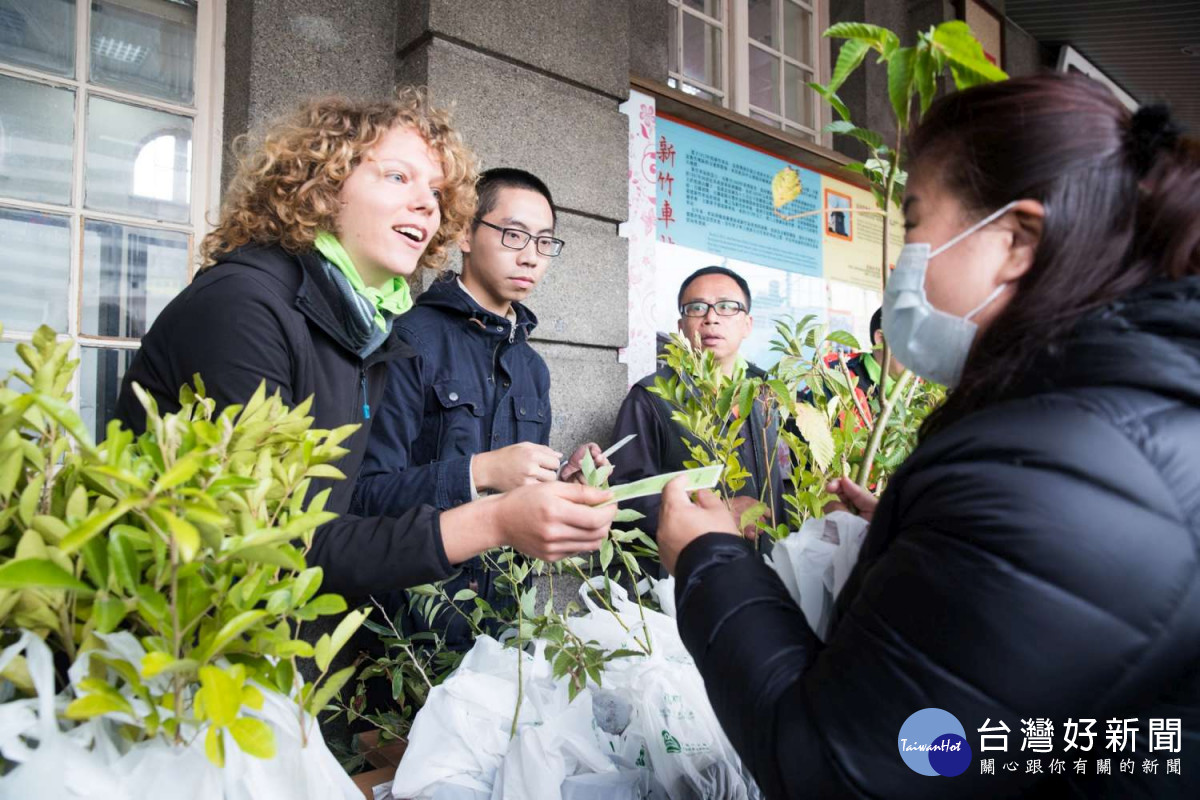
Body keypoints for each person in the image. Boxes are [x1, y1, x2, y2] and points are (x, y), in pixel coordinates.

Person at [655, 74, 1200, 798]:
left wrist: (706, 560)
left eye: (914, 224)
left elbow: (841, 770)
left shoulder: (1054, 475)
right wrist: (922, 538)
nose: (900, 266)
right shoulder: (1121, 420)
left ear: (1016, 238)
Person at [114, 91, 616, 603]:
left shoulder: (363, 330)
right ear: (323, 183)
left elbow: (337, 514)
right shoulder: (244, 307)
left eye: (438, 191)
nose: (426, 202)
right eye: (398, 176)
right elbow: (276, 550)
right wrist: (495, 517)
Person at [352, 167, 606, 645]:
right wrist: (479, 470)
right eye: (513, 235)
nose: (531, 256)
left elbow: (519, 493)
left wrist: (564, 483)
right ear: (466, 233)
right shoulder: (408, 339)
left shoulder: (531, 366)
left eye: (544, 242)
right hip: (414, 630)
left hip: (509, 622)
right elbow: (363, 497)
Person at [609, 266, 788, 543]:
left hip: (771, 563)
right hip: (693, 566)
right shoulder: (652, 396)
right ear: (681, 326)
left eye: (727, 307)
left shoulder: (768, 391)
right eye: (697, 308)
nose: (711, 318)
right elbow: (625, 496)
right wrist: (711, 515)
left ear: (747, 324)